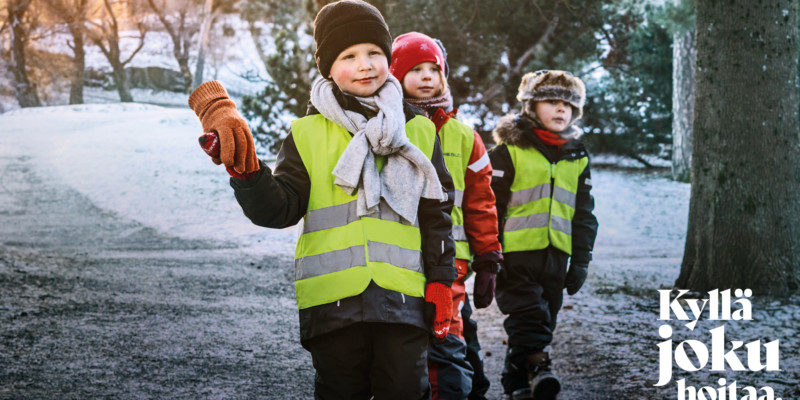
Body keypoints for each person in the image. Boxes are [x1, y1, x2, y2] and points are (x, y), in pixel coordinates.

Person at [187, 1, 458, 398]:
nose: (365, 64)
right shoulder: (306, 133)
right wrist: (248, 173)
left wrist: (440, 280)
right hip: (333, 303)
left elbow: (436, 212)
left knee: (404, 390)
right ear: (328, 67)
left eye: (374, 53)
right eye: (349, 56)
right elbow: (281, 209)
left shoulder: (417, 129)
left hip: (404, 298)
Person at [390, 32, 502, 400]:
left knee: (447, 338)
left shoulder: (466, 137)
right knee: (409, 344)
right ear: (395, 75)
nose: (426, 77)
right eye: (415, 69)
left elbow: (481, 203)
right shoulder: (387, 128)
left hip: (452, 264)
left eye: (433, 69)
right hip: (399, 258)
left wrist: (488, 259)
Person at [488, 70, 599, 400]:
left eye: (568, 104)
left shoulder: (576, 157)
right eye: (552, 101)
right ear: (530, 106)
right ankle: (540, 366)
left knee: (543, 321)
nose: (561, 109)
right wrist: (489, 253)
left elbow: (583, 215)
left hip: (556, 257)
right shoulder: (508, 153)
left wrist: (580, 261)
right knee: (529, 318)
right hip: (514, 257)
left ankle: (517, 383)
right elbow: (490, 206)